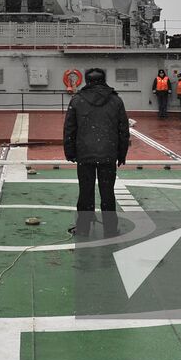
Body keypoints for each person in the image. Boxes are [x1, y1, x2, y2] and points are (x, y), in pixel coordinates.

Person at [63, 68, 130, 235]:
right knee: (108, 193)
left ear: (86, 80)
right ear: (103, 80)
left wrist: (70, 152)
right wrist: (121, 154)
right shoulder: (116, 101)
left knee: (85, 192)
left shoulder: (77, 100)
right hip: (108, 155)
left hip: (85, 155)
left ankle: (83, 227)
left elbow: (70, 129)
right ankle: (110, 228)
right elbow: (123, 130)